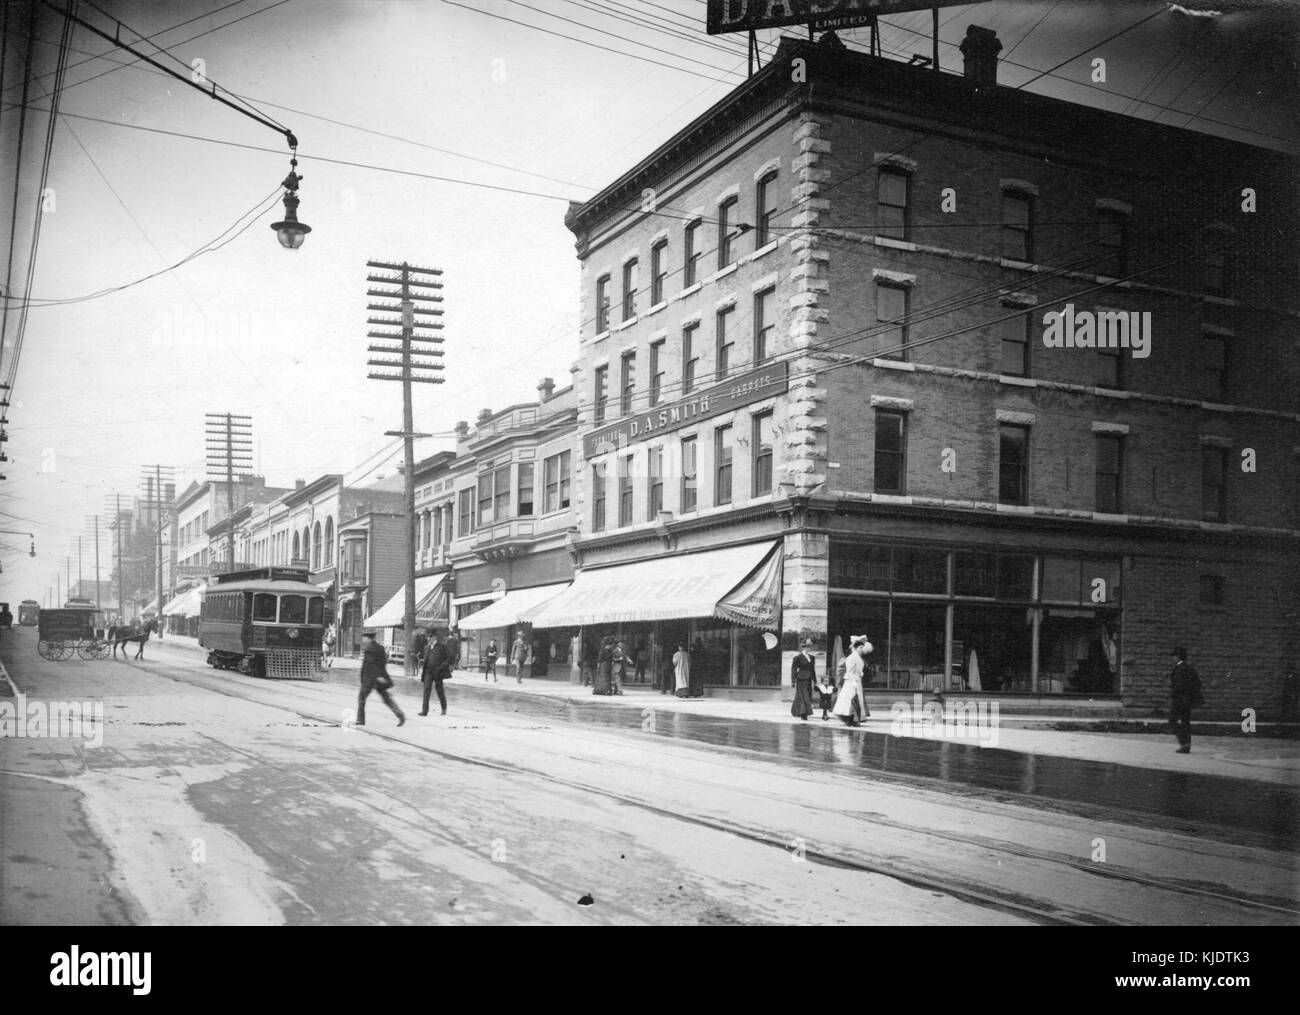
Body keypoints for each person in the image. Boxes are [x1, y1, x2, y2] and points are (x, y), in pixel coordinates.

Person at [358, 632, 405, 727]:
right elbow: (382, 663)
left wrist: (365, 678)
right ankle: (400, 715)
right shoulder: (379, 648)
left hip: (371, 678)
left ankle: (360, 720)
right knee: (386, 698)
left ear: (368, 638)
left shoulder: (370, 649)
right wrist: (381, 676)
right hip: (378, 677)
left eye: (364, 638)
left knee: (362, 698)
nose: (363, 640)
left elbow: (371, 665)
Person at [1169, 645, 1202, 754]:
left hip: (1179, 700)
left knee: (1172, 721)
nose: (1172, 658)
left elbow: (1178, 685)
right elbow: (1197, 683)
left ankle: (1184, 743)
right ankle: (1186, 744)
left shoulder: (1179, 669)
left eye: (1174, 656)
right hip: (1187, 701)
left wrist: (1174, 693)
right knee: (1185, 722)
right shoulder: (1189, 668)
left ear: (1178, 657)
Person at [833, 635, 871, 726]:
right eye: (860, 647)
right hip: (851, 681)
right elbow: (849, 671)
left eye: (862, 647)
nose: (861, 649)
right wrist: (853, 681)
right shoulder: (851, 657)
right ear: (855, 648)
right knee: (849, 700)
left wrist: (860, 674)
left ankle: (854, 718)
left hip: (857, 680)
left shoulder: (858, 657)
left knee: (856, 700)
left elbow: (858, 669)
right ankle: (849, 719)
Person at [420, 629, 452, 716]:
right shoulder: (426, 648)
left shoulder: (442, 647)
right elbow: (425, 660)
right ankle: (424, 711)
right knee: (426, 690)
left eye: (430, 637)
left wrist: (441, 667)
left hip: (438, 672)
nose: (428, 639)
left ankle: (443, 708)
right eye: (427, 637)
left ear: (434, 637)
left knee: (440, 691)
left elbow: (449, 659)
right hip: (428, 672)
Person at [790, 640, 817, 720]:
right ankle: (803, 713)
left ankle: (796, 711)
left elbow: (813, 670)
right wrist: (793, 681)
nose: (809, 648)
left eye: (809, 647)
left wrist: (815, 680)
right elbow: (793, 670)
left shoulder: (812, 657)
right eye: (807, 647)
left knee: (807, 695)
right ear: (804, 647)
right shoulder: (798, 657)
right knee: (803, 696)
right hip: (801, 679)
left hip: (809, 679)